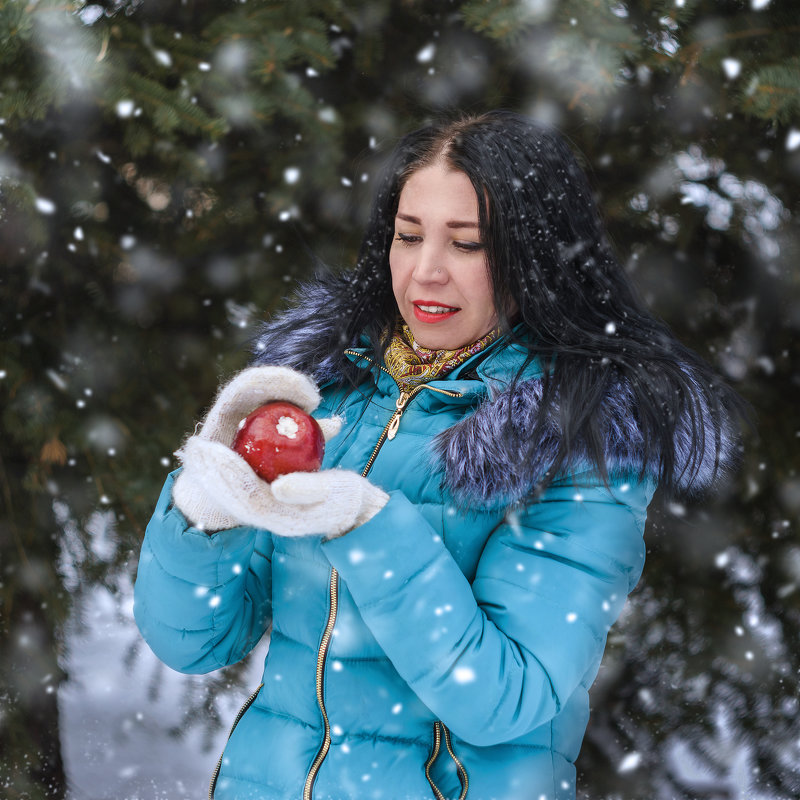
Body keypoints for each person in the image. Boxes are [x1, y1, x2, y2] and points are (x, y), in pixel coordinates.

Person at [133, 110, 744, 800]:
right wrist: (205, 510)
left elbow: (505, 697)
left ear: (533, 256)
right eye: (408, 236)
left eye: (468, 244)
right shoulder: (335, 393)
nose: (426, 272)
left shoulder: (581, 440)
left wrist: (368, 527)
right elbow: (193, 644)